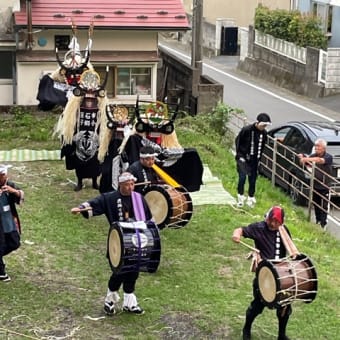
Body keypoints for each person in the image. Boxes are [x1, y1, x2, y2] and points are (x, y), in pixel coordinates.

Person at [71, 171, 153, 315]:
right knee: (119, 272)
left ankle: (130, 303)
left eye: (132, 184)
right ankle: (109, 301)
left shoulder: (139, 198)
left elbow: (148, 220)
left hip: (137, 241)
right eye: (127, 185)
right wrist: (81, 208)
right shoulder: (110, 198)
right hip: (118, 242)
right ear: (120, 185)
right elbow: (94, 203)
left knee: (133, 272)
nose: (130, 187)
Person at [232, 206, 292, 340]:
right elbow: (240, 230)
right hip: (264, 275)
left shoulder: (283, 231)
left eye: (277, 222)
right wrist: (236, 235)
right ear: (268, 217)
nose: (273, 224)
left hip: (281, 275)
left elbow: (290, 248)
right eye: (272, 220)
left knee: (284, 307)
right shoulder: (258, 227)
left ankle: (281, 335)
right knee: (257, 306)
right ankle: (246, 329)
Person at [235, 113, 271, 208]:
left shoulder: (264, 134)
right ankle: (240, 196)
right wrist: (239, 155)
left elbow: (262, 146)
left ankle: (251, 197)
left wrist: (259, 159)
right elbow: (238, 141)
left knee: (253, 180)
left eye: (265, 126)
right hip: (243, 157)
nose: (264, 127)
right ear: (257, 122)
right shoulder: (246, 130)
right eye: (263, 125)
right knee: (242, 178)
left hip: (255, 160)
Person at [298, 138, 333, 228]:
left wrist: (306, 159)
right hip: (315, 184)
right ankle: (318, 221)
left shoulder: (328, 157)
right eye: (315, 146)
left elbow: (319, 160)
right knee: (316, 204)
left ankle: (323, 223)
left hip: (325, 185)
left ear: (324, 148)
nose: (316, 148)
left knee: (324, 206)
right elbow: (305, 163)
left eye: (318, 146)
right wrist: (302, 159)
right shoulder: (313, 155)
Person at [0, 164, 24, 282]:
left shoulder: (9, 185)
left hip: (8, 219)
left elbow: (21, 195)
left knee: (15, 242)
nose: (4, 178)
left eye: (4, 175)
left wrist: (13, 191)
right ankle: (1, 272)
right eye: (1, 176)